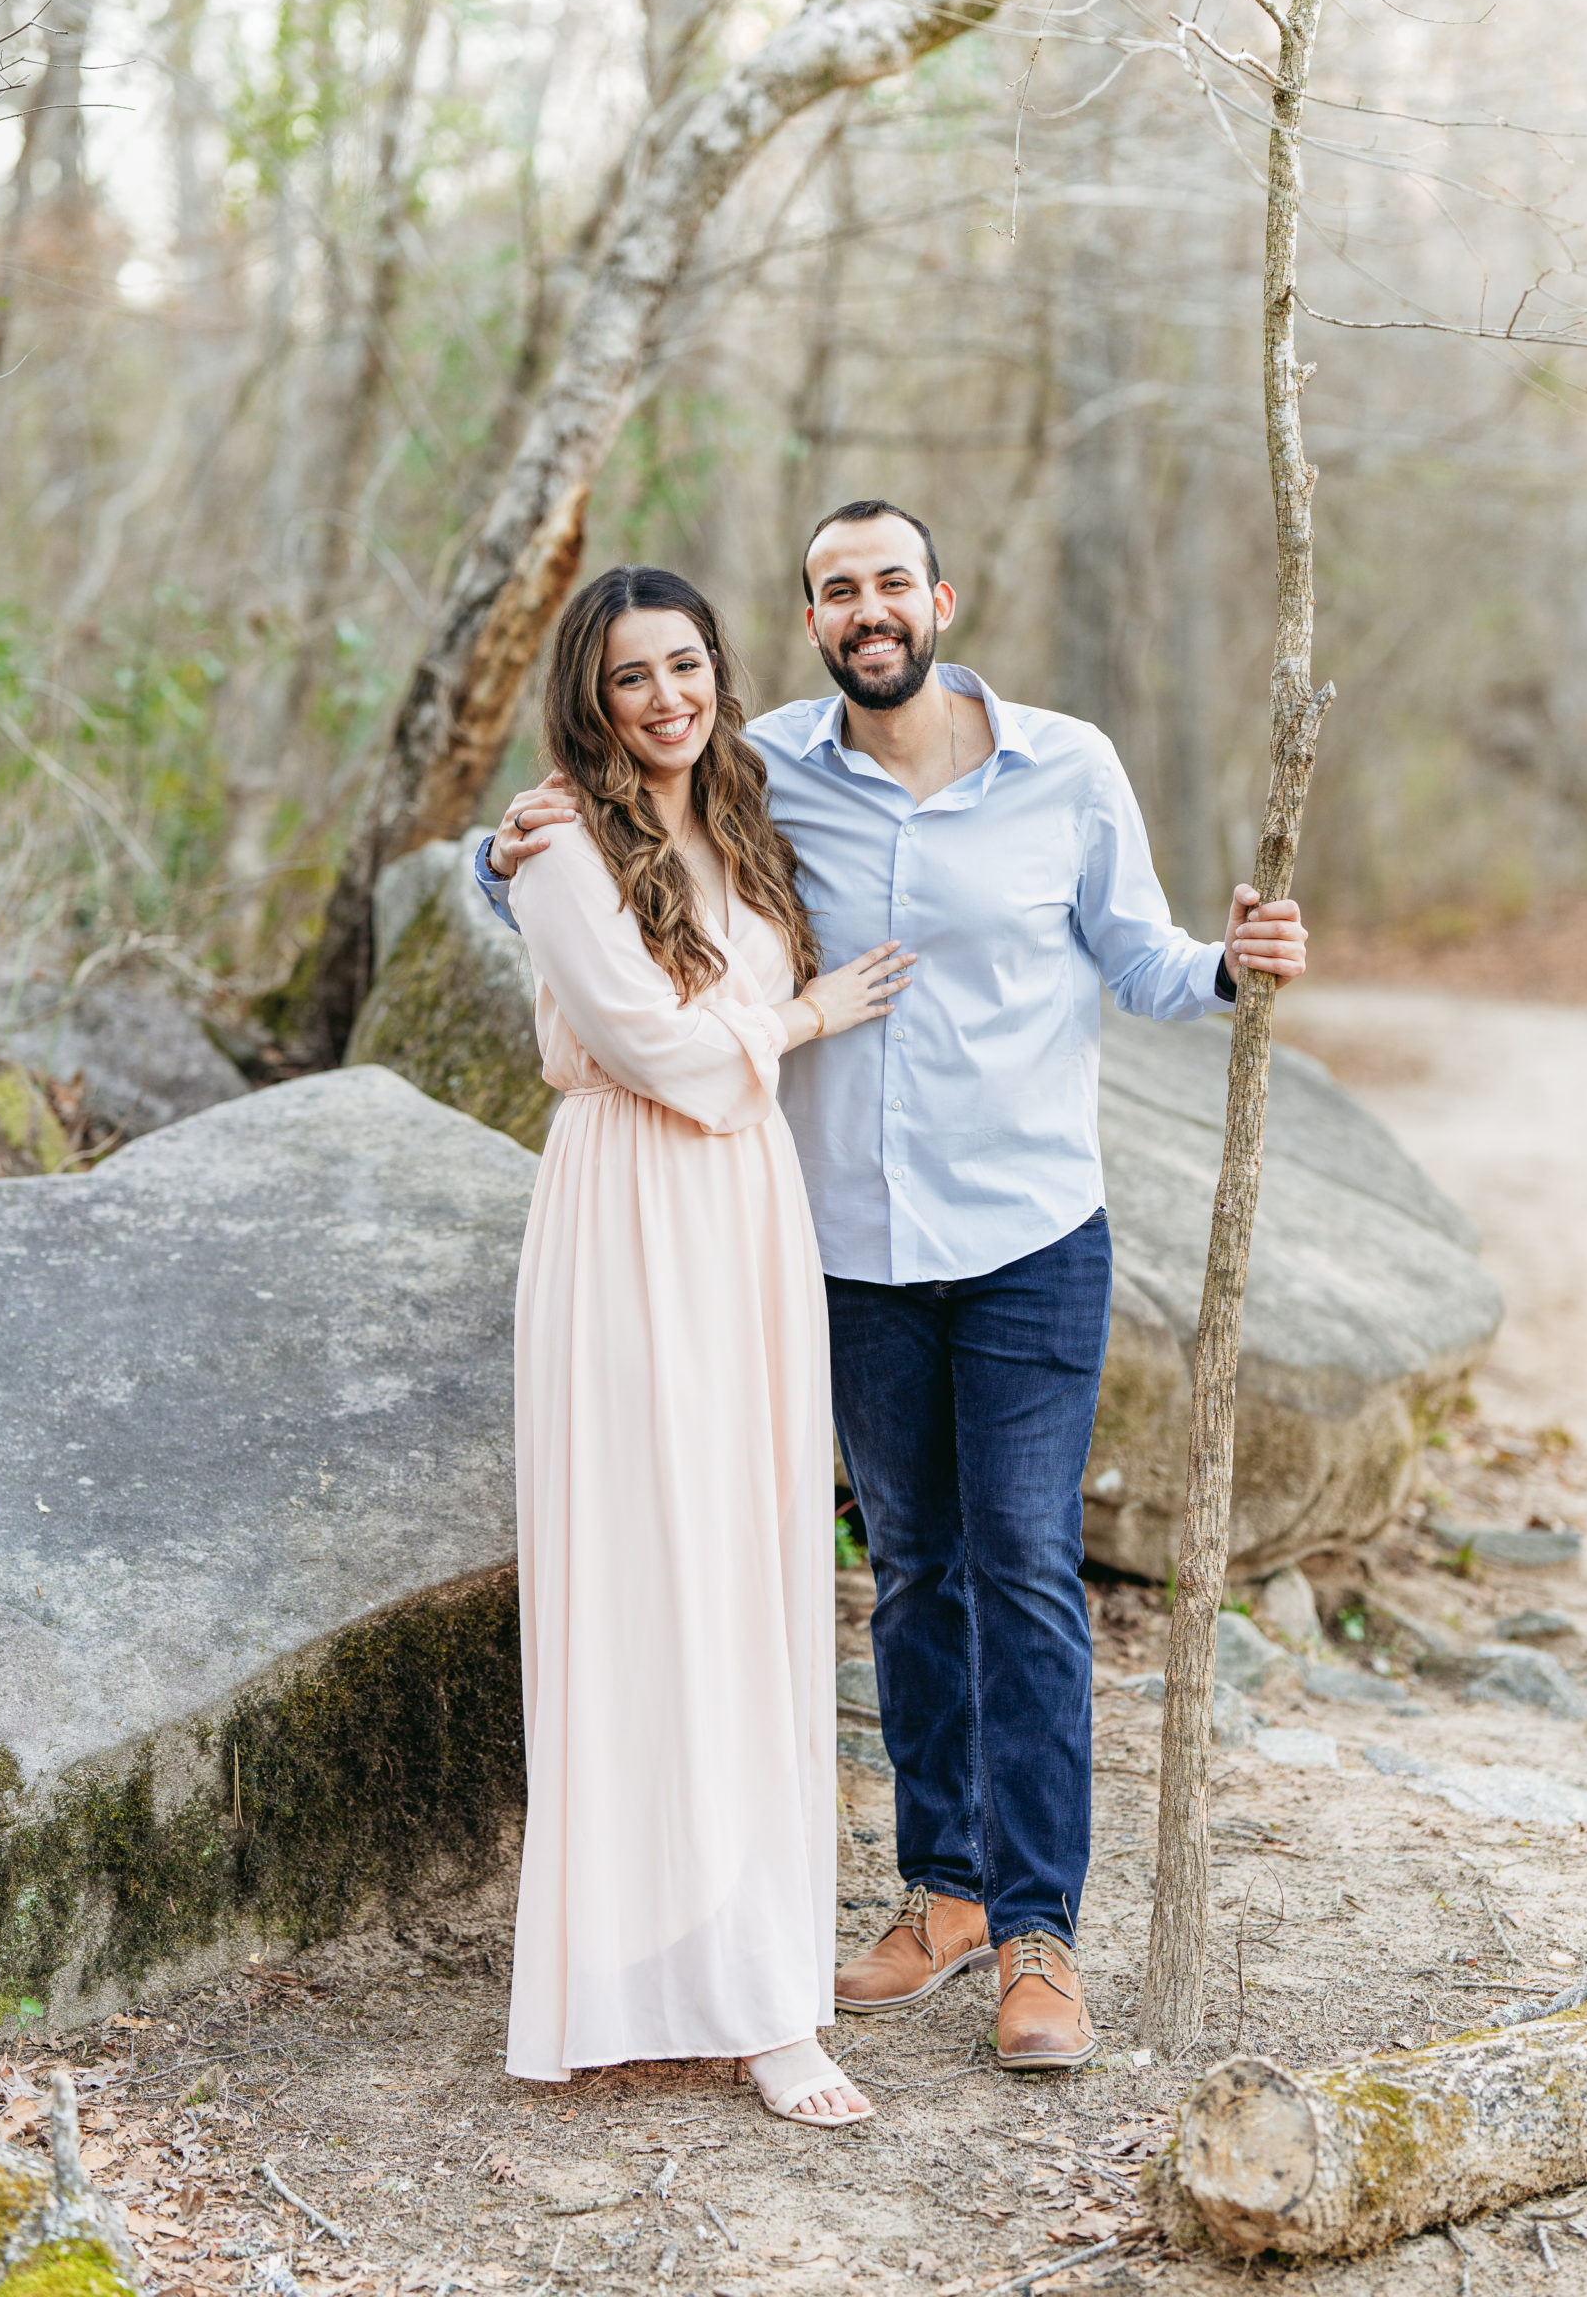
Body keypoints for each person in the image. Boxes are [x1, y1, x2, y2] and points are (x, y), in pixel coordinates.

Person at [482, 501, 1307, 2072]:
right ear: (808, 621)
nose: (866, 610)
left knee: (1023, 1569)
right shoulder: (762, 766)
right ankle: (936, 1895)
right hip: (843, 1250)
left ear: (940, 598)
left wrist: (1227, 960)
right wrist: (494, 846)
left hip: (1025, 1244)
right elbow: (608, 839)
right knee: (913, 1571)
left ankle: (1037, 1933)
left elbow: (1135, 956)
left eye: (887, 583)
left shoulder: (1067, 766)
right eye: (832, 590)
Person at [501, 559, 917, 2126]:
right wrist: (811, 1019)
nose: (665, 699)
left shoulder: (739, 808)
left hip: (749, 1218)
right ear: (588, 698)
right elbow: (662, 1052)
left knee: (751, 1583)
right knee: (643, 1584)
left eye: (686, 667)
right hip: (629, 1217)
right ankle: (637, 1979)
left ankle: (756, 1983)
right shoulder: (553, 844)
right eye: (630, 678)